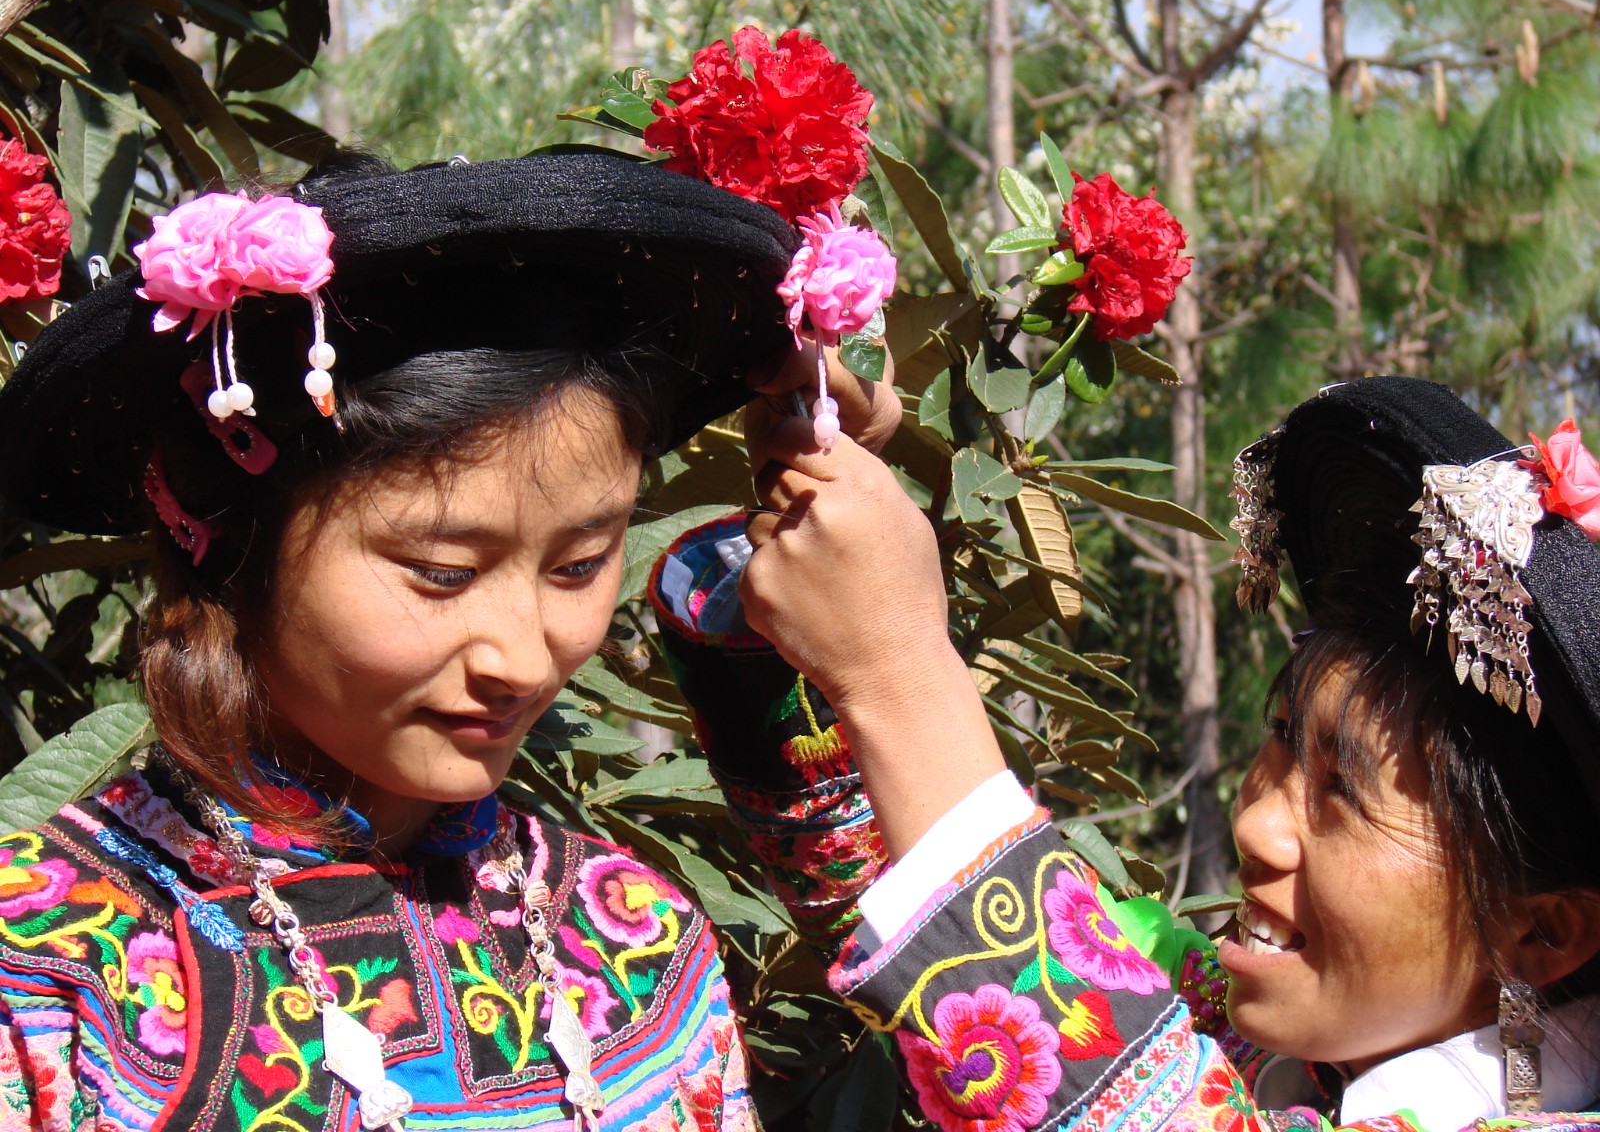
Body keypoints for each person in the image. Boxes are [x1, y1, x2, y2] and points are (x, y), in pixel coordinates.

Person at [0, 147, 919, 1132]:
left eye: (578, 565)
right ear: (228, 543)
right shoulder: (49, 970)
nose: (523, 660)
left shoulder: (636, 940)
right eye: (441, 574)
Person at [674, 373, 1599, 1132]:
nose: (1256, 823)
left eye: (1343, 795)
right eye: (1283, 746)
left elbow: (1116, 1089)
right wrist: (826, 525)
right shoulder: (1246, 1038)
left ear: (1542, 932)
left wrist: (896, 666)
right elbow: (894, 889)